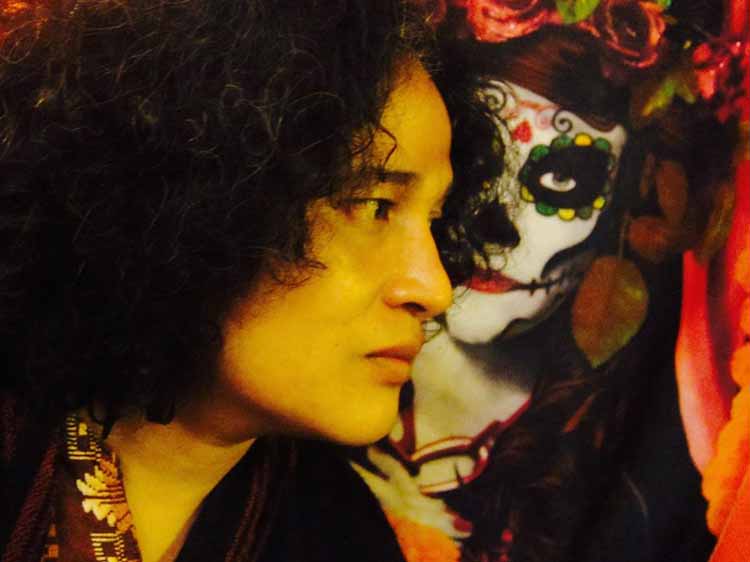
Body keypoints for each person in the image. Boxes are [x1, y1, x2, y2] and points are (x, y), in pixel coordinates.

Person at [0, 1, 490, 560]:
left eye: (434, 223)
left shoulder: (343, 534)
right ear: (194, 197)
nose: (433, 288)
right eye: (374, 205)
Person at [353, 1, 734, 561]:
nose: (495, 223)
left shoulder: (628, 488)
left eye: (561, 177)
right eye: (474, 156)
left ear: (627, 205)